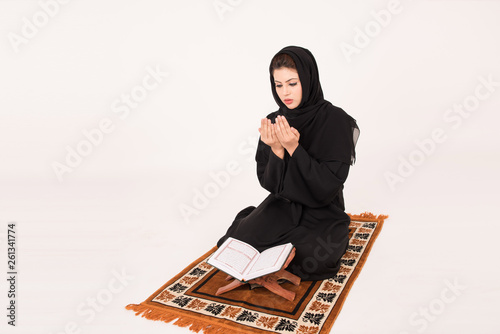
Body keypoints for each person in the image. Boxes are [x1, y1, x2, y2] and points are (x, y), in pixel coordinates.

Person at [216, 46, 360, 281]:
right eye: (278, 85)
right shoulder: (275, 121)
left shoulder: (336, 121)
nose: (285, 92)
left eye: (292, 83)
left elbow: (327, 187)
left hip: (322, 209)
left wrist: (294, 148)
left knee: (316, 257)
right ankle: (256, 226)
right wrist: (277, 150)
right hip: (282, 206)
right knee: (235, 245)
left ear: (308, 79)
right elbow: (270, 183)